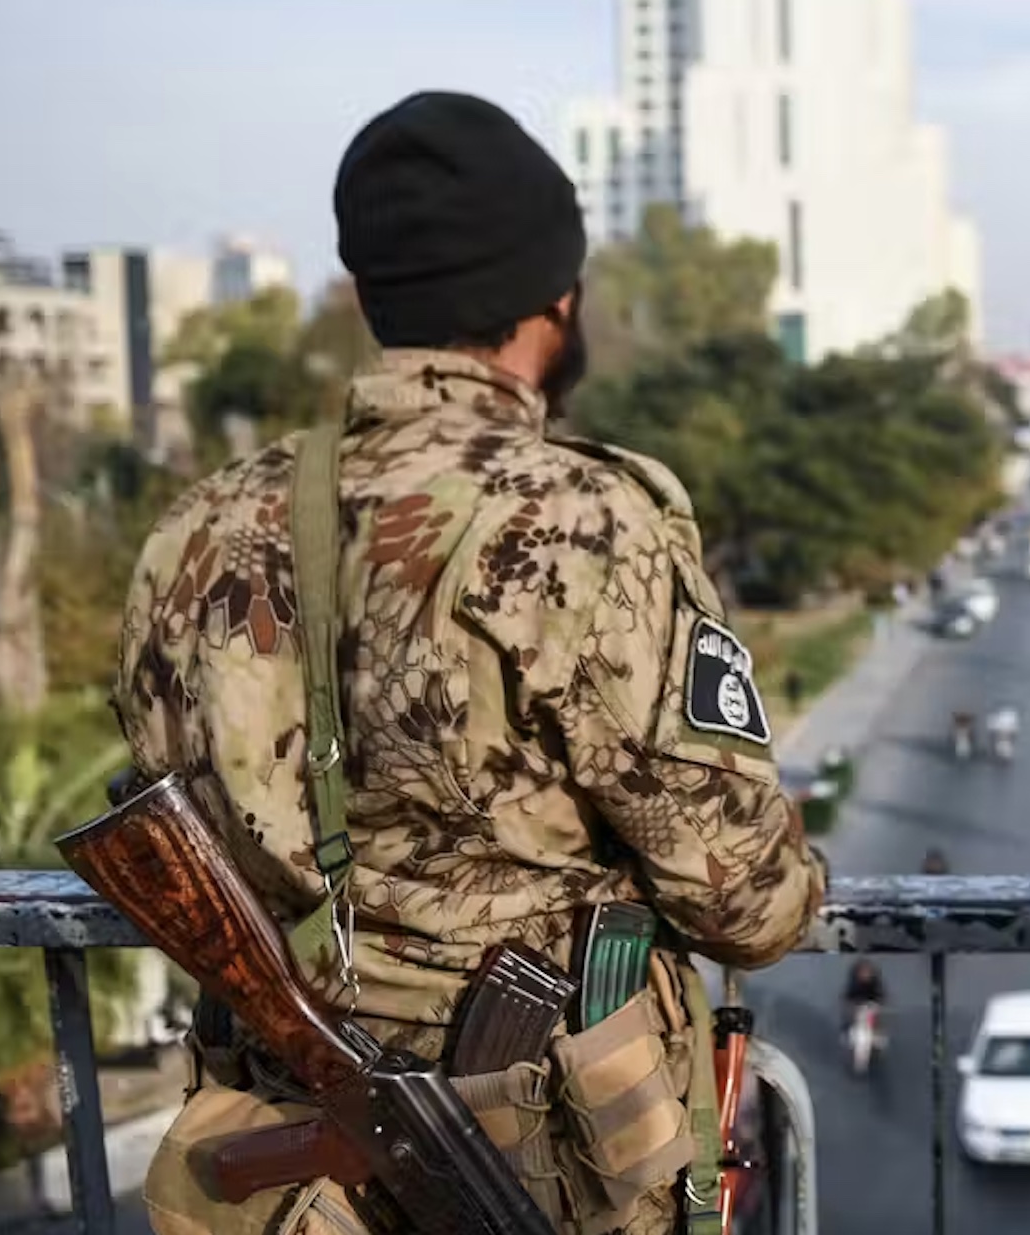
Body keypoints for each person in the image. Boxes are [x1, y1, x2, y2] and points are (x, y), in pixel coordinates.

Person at [113, 92, 827, 1235]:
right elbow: (745, 900)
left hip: (296, 1172)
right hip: (554, 1173)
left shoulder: (201, 527)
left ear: (376, 297)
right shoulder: (588, 522)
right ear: (556, 297)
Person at [841, 956, 887, 1029]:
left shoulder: (876, 988)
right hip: (856, 1023)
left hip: (873, 1023)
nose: (865, 974)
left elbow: (881, 1002)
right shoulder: (852, 989)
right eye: (862, 971)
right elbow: (848, 1004)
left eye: (867, 971)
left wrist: (873, 1007)